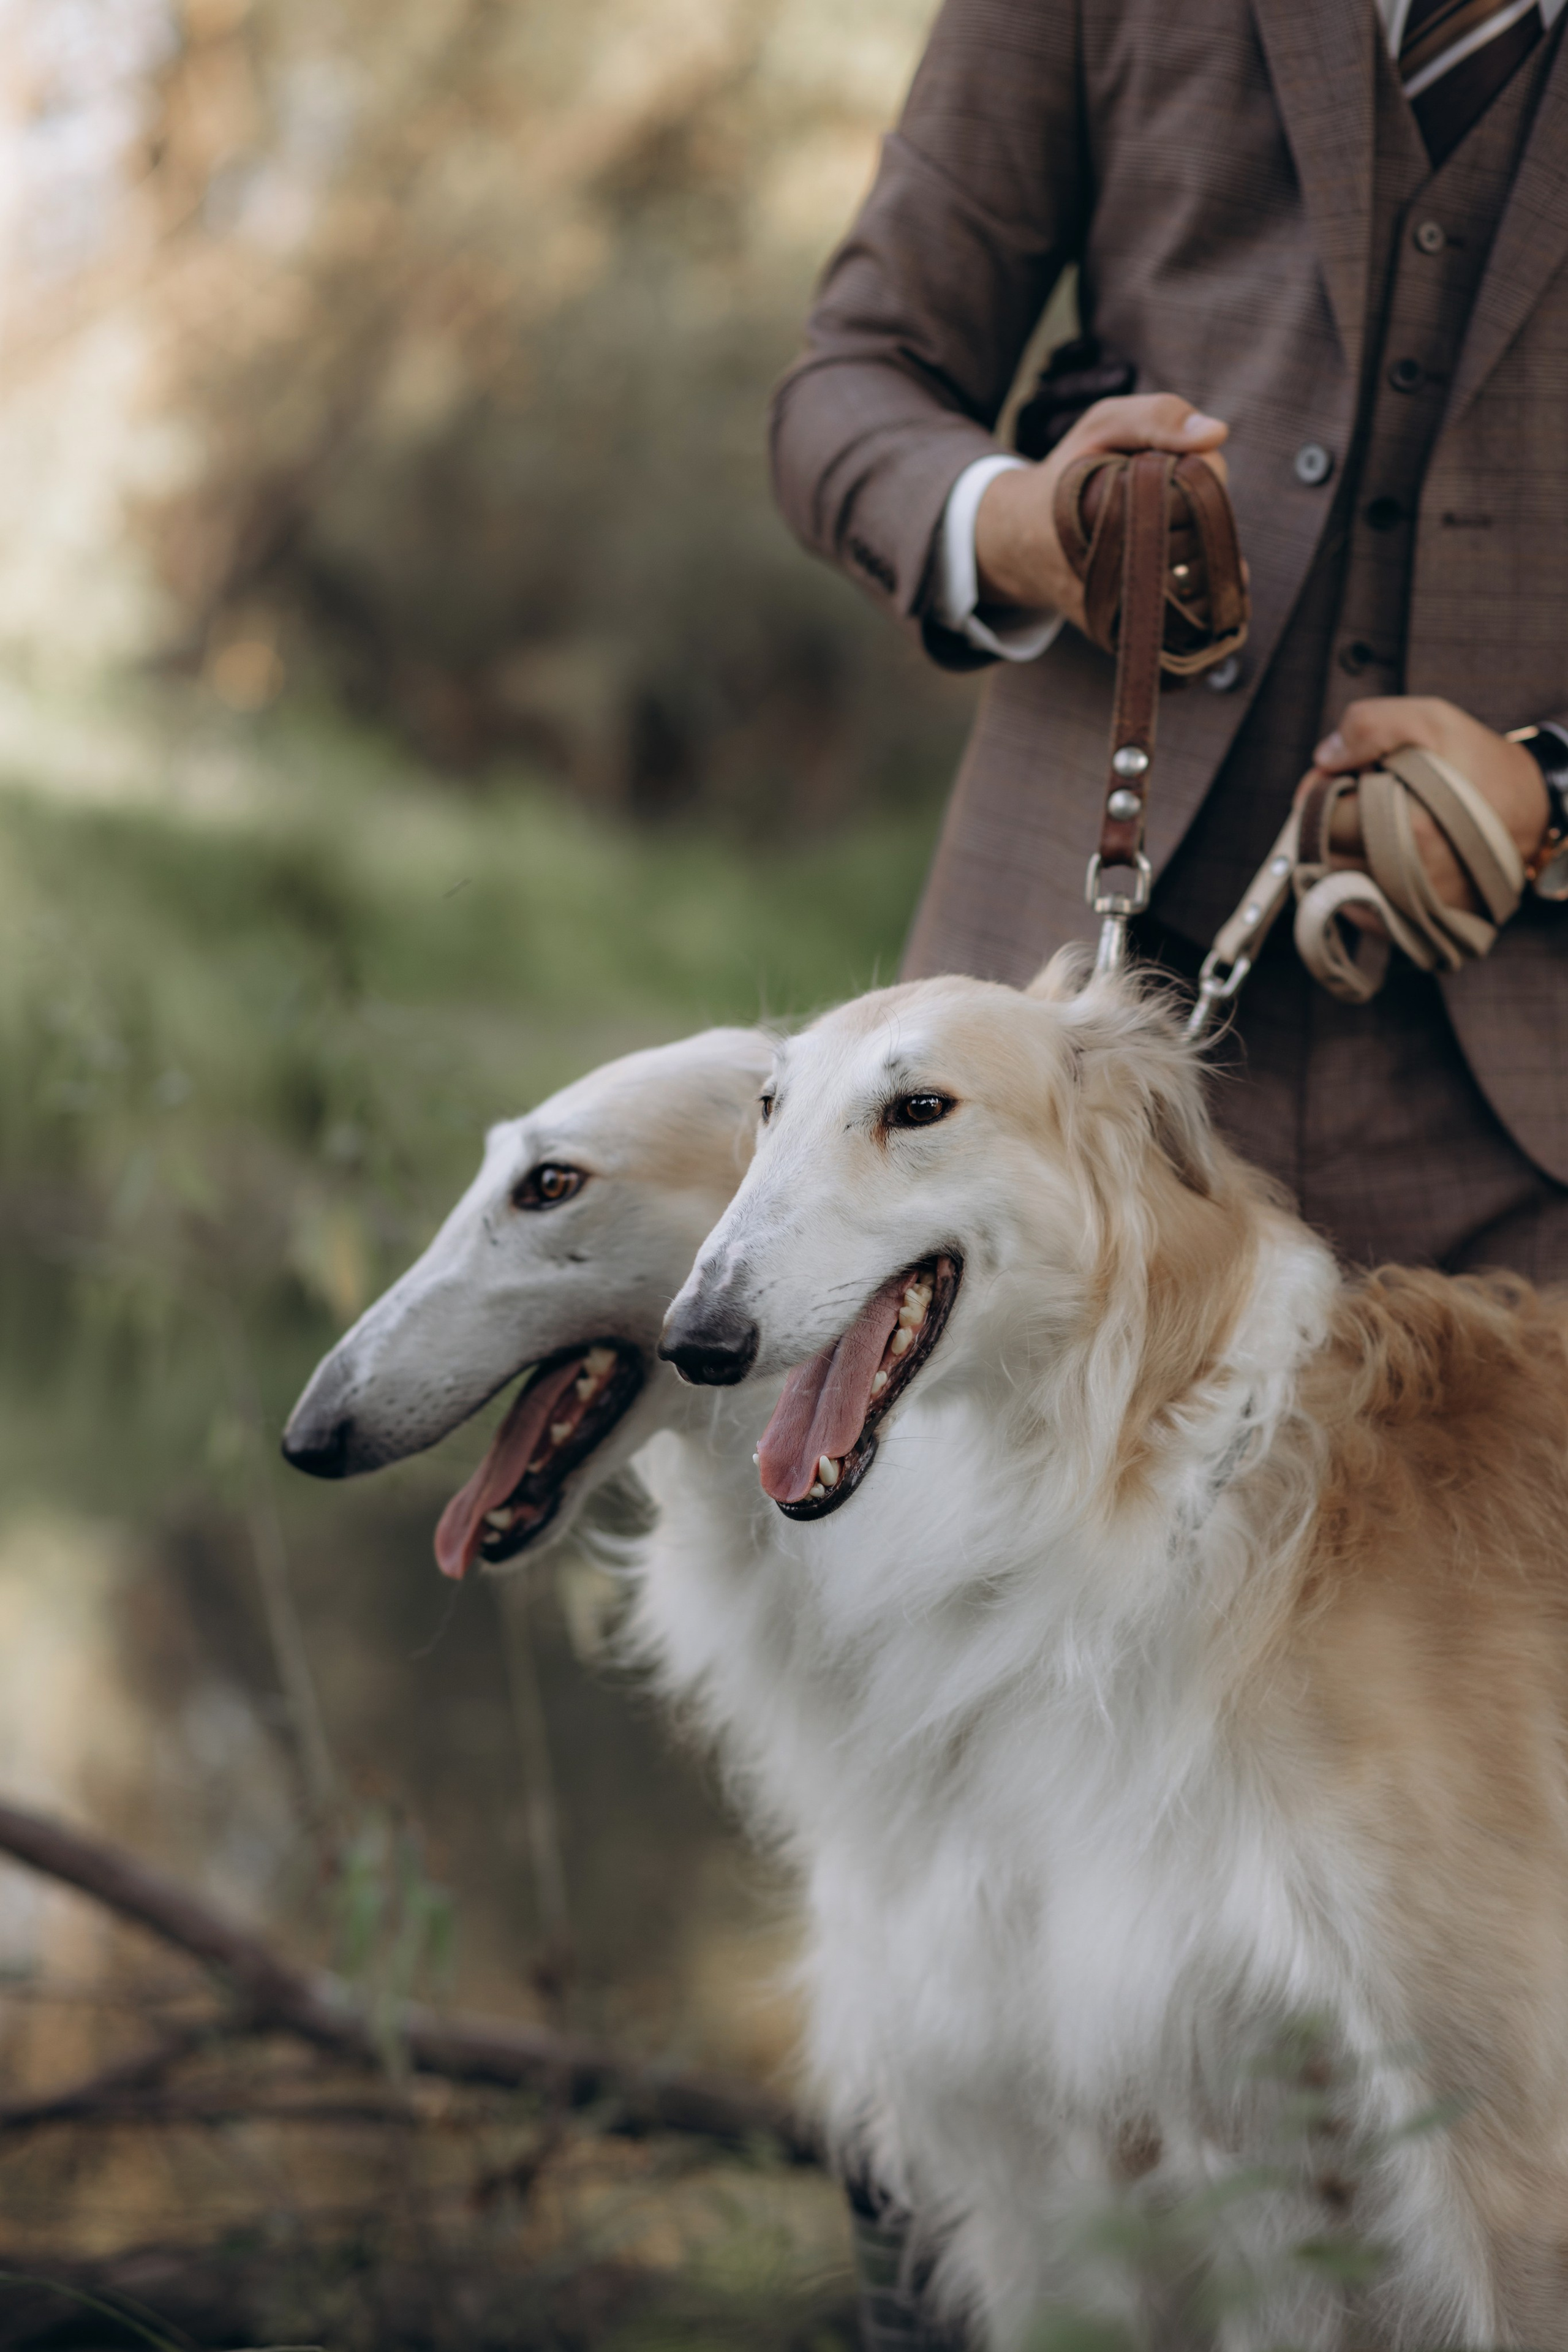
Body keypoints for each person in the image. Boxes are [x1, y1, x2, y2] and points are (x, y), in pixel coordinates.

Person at [769, 0, 1568, 1281]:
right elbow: (849, 383)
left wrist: (1550, 793)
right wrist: (1023, 528)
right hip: (1026, 1083)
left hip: (1527, 1142)